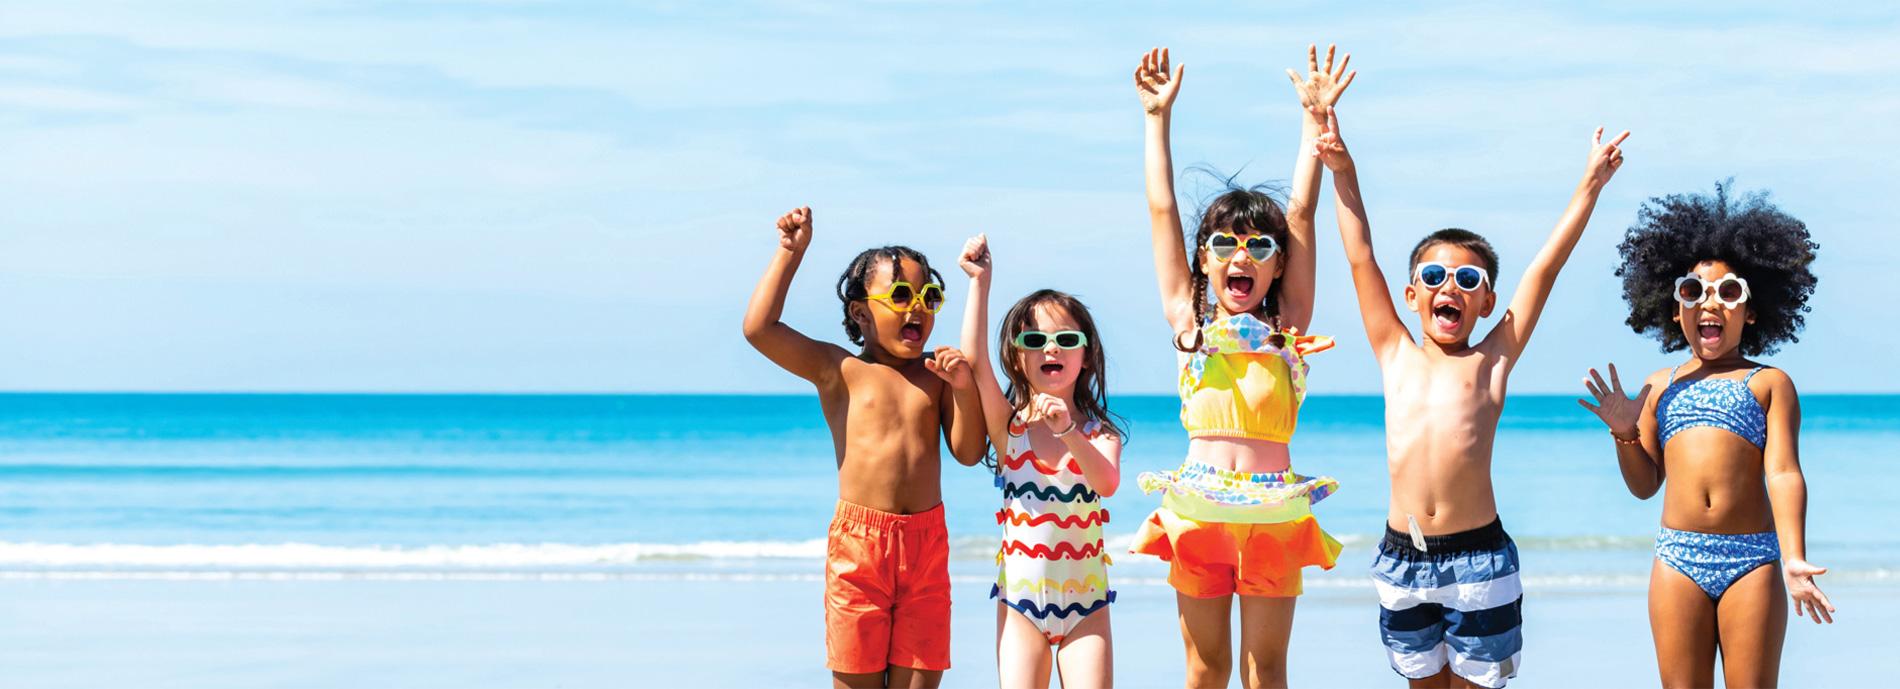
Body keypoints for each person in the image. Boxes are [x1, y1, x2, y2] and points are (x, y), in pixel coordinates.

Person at [1313, 106, 1629, 687]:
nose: (1448, 289)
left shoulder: (1493, 360)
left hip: (1479, 558)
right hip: (1401, 557)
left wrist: (1589, 186)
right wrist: (1343, 172)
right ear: (1412, 295)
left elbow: (1545, 269)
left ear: (1486, 302)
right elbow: (1361, 256)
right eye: (1434, 278)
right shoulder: (1394, 352)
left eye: (1467, 280)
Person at [1579, 182, 1832, 688]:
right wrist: (1625, 434)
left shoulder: (1769, 383)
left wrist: (1794, 555)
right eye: (1693, 292)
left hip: (1753, 560)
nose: (1708, 303)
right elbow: (1644, 485)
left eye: (1728, 291)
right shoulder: (1659, 385)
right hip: (1677, 558)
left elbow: (1782, 472)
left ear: (1752, 310)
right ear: (1675, 309)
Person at [741, 206, 987, 689]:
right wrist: (791, 253)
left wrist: (962, 386)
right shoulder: (839, 370)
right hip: (860, 551)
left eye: (928, 296)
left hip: (926, 548)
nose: (916, 307)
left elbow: (969, 451)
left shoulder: (938, 374)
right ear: (860, 312)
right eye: (900, 295)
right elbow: (759, 329)